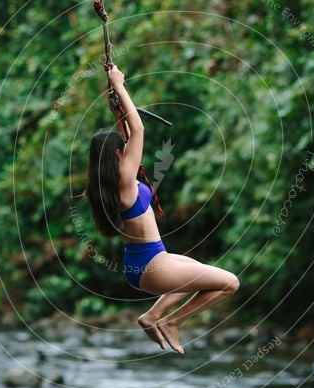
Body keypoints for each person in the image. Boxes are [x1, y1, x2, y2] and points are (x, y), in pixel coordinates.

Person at [84, 64, 240, 354]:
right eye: (124, 148)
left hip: (145, 261)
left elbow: (129, 133)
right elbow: (139, 129)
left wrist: (117, 107)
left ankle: (151, 316)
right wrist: (119, 84)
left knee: (200, 273)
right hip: (153, 266)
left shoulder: (102, 185)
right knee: (229, 283)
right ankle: (170, 321)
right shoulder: (124, 183)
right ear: (118, 155)